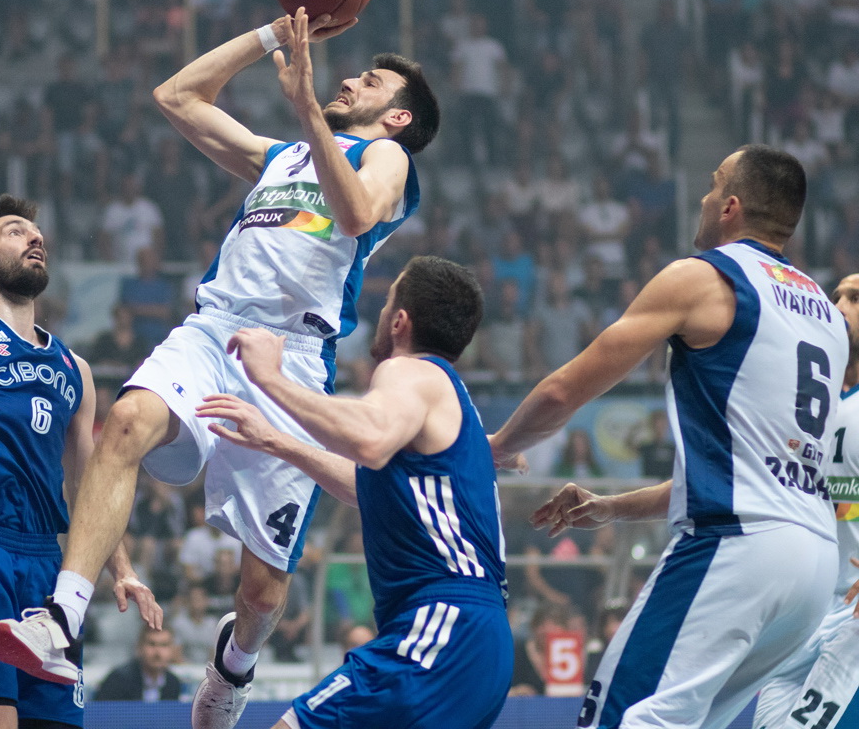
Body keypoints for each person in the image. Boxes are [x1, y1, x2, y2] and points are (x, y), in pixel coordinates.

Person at [0, 7, 440, 729]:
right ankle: (59, 621)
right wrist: (272, 36)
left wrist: (305, 107)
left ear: (398, 116)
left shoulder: (387, 158)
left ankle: (235, 667)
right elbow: (176, 96)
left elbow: (354, 216)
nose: (352, 78)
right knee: (127, 421)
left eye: (372, 79)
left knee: (261, 594)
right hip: (215, 329)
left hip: (291, 358)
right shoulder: (282, 157)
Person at [491, 145, 847, 729]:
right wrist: (612, 508)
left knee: (617, 716)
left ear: (730, 206)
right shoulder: (826, 317)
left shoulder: (705, 278)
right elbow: (753, 460)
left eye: (713, 185)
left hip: (737, 543)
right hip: (811, 566)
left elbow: (564, 392)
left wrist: (499, 446)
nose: (704, 197)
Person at [195, 255, 511, 729]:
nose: (382, 314)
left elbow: (369, 440)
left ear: (400, 321)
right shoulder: (450, 399)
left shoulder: (411, 373)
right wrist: (275, 440)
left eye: (387, 304)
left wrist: (271, 378)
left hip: (442, 624)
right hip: (478, 641)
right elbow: (369, 488)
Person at [0, 195, 158, 729]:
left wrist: (123, 568)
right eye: (16, 231)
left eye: (37, 233)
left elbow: (91, 482)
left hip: (47, 568)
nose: (35, 238)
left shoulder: (74, 367)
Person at [751, 272, 859, 729]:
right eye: (834, 295)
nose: (838, 304)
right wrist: (616, 507)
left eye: (854, 297)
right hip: (801, 615)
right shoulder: (799, 408)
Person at [92, 626, 182, 702]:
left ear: (173, 650)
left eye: (164, 645)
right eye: (152, 644)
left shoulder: (173, 683)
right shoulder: (118, 680)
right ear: (139, 648)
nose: (157, 652)